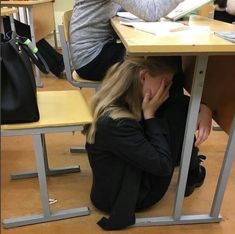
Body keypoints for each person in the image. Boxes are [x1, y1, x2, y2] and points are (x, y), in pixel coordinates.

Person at [84, 56, 212, 230]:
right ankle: (192, 169)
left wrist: (204, 108)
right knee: (178, 112)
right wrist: (150, 116)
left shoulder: (121, 95)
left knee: (176, 106)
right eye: (165, 83)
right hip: (128, 198)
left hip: (124, 183)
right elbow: (163, 166)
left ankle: (192, 167)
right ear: (143, 77)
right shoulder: (116, 122)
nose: (166, 91)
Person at [70, 0, 184, 81]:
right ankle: (171, 110)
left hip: (90, 53)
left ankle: (168, 107)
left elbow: (131, 6)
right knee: (164, 56)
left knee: (163, 55)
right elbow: (151, 12)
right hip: (90, 60)